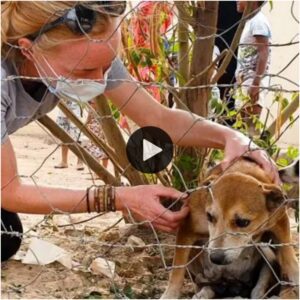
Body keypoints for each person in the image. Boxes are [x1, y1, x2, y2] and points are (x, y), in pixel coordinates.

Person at [1, 2, 279, 262]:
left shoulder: (90, 52)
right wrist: (120, 198)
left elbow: (158, 118)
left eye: (108, 65)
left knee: (6, 235)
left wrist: (231, 137)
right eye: (86, 70)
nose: (100, 80)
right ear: (27, 49)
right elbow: (9, 191)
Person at [235, 0, 271, 136]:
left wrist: (256, 83)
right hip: (245, 81)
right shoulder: (250, 21)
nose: (237, 1)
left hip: (252, 81)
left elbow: (264, 51)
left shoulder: (258, 22)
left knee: (250, 131)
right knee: (242, 130)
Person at [55, 99, 84, 170]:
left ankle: (80, 162)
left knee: (77, 135)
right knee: (63, 134)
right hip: (62, 107)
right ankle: (64, 161)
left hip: (75, 107)